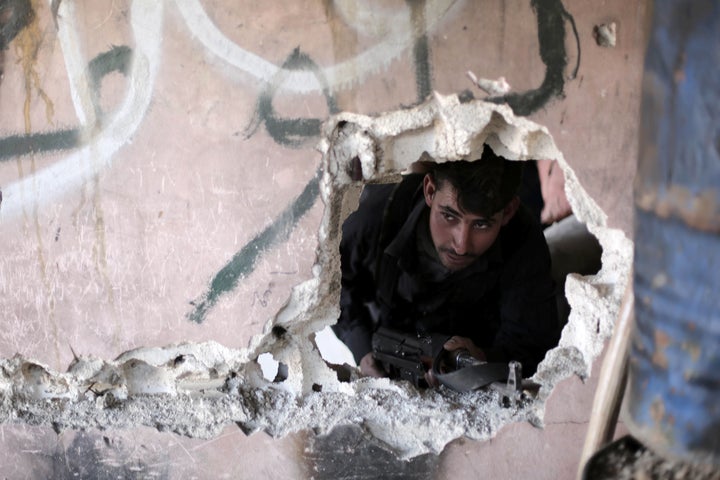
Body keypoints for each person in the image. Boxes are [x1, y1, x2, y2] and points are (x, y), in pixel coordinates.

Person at [332, 145, 560, 381]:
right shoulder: (371, 216)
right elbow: (336, 288)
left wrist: (482, 358)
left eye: (481, 225)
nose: (461, 245)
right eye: (450, 216)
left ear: (508, 212)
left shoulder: (522, 240)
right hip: (386, 349)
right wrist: (363, 351)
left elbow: (532, 344)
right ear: (430, 190)